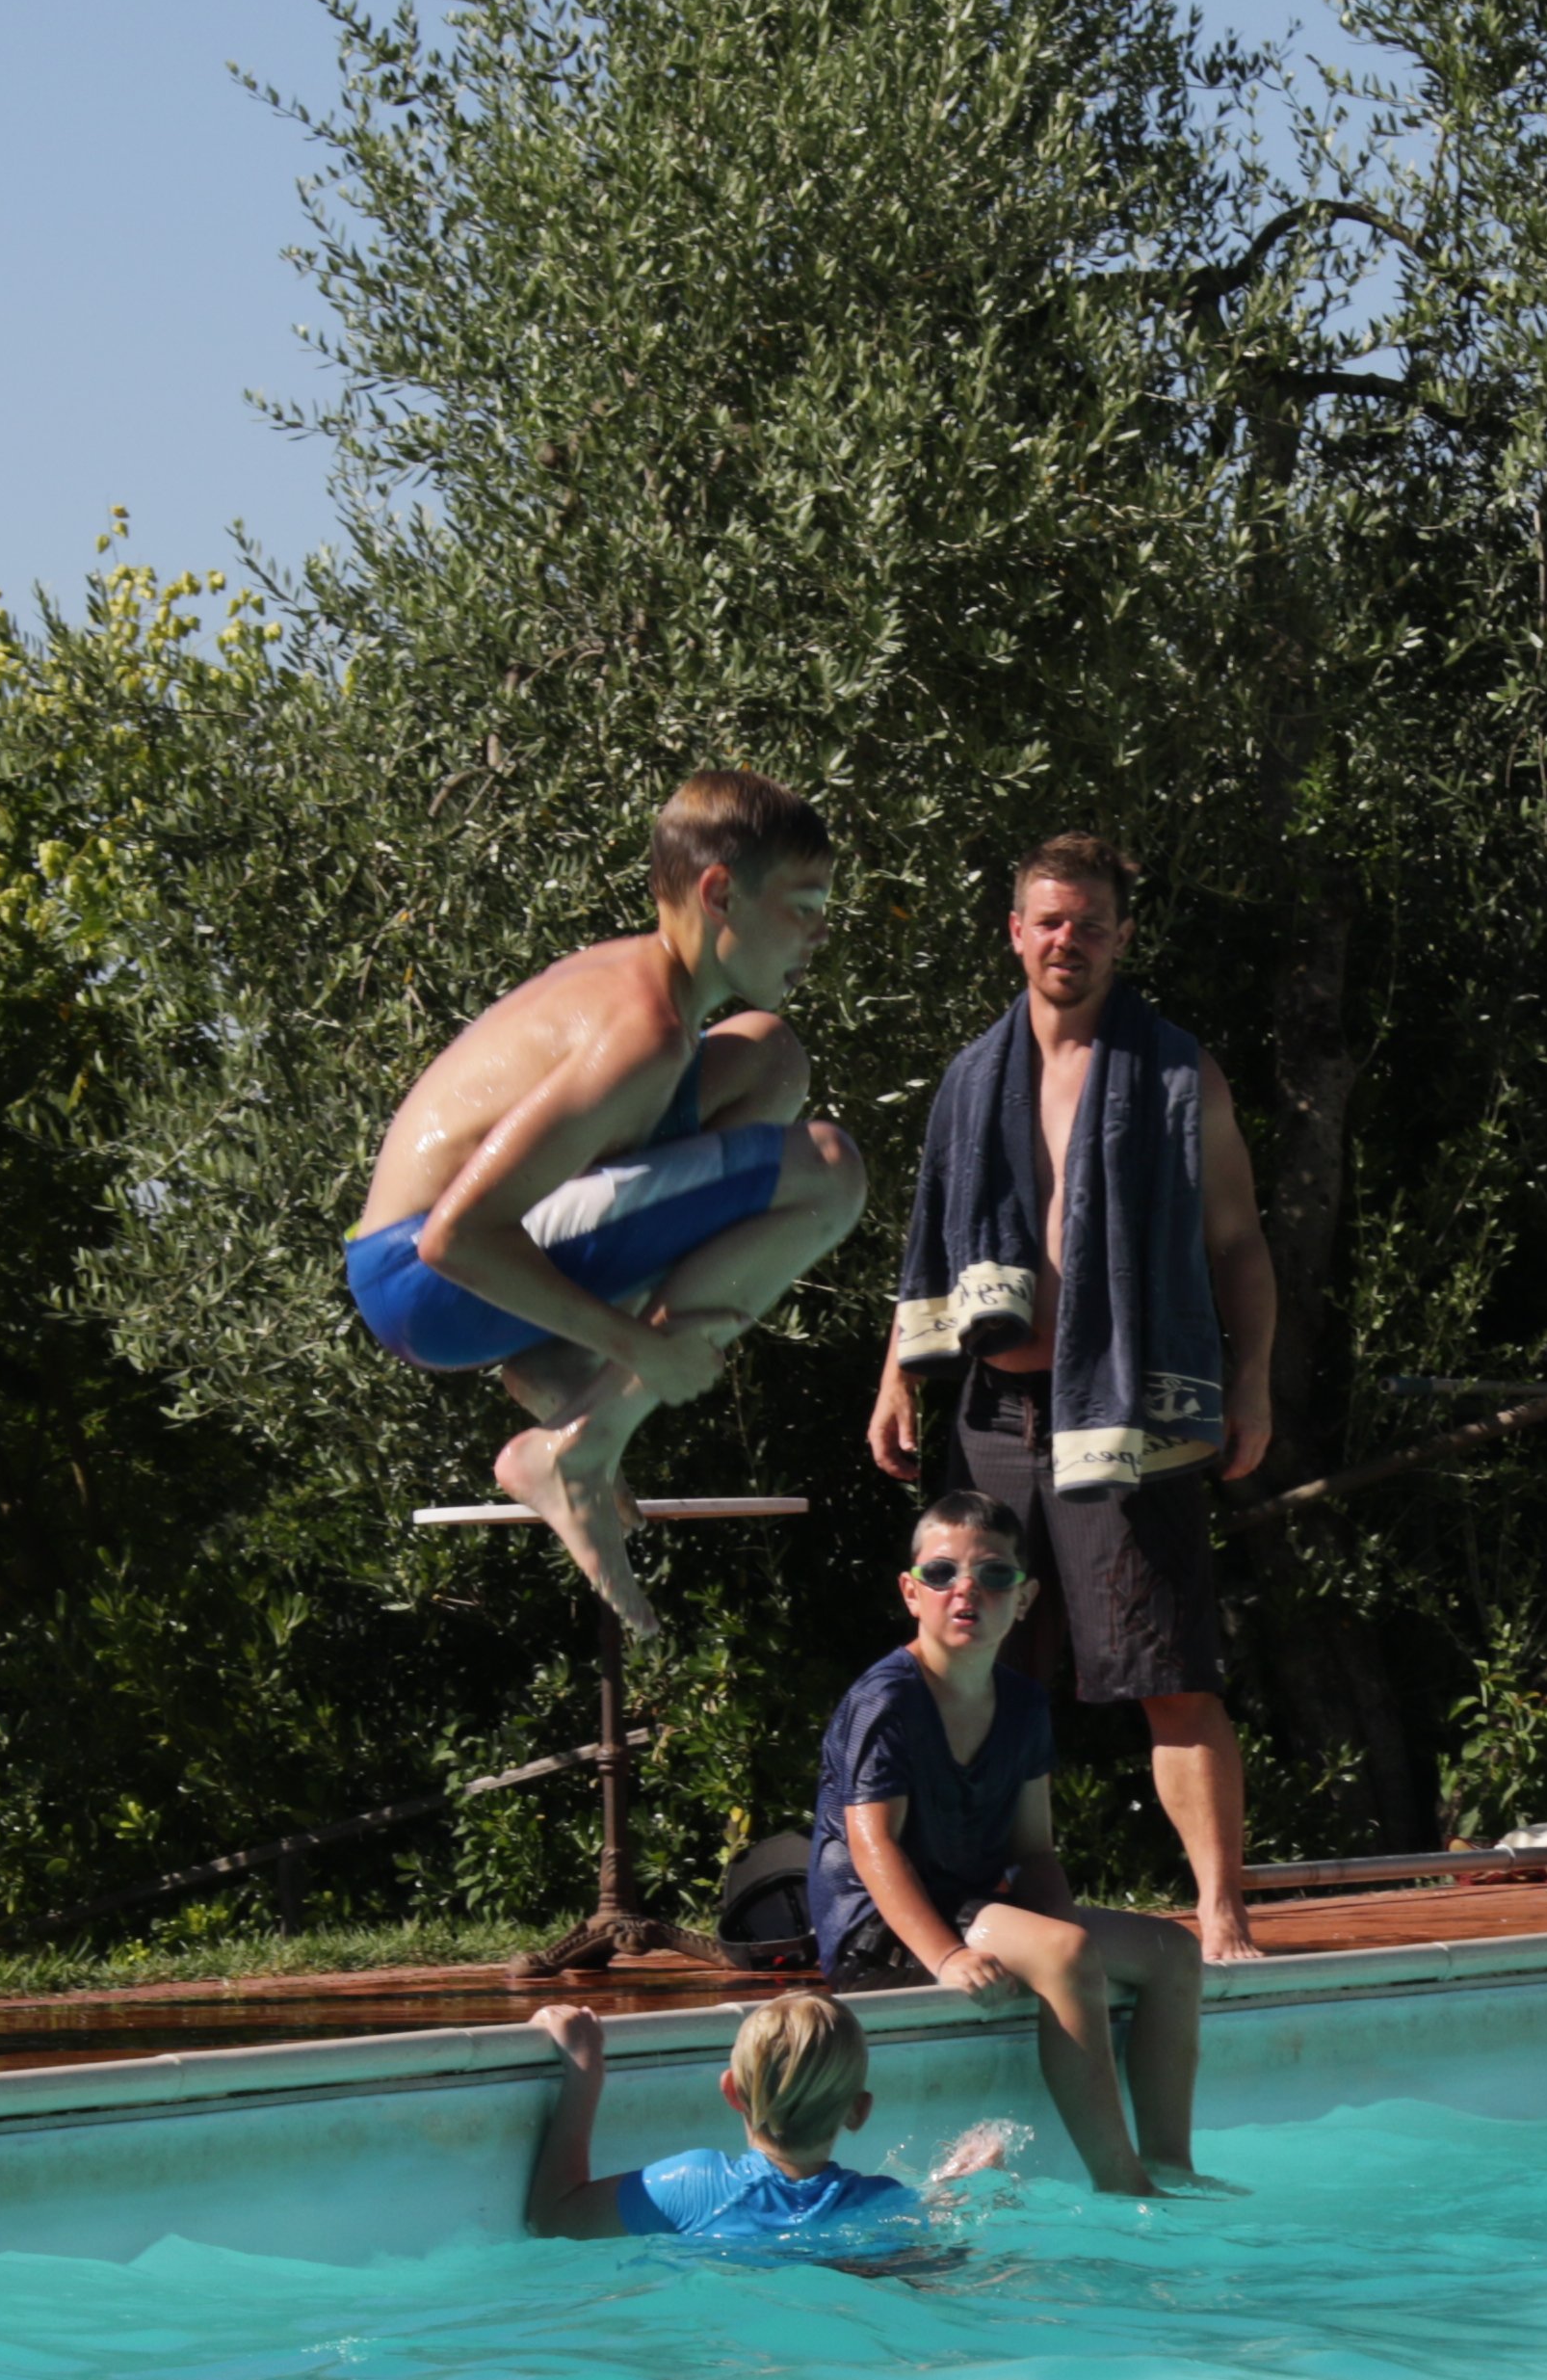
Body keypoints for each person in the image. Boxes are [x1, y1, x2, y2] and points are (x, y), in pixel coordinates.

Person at [869, 836, 1277, 1961]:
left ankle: (1222, 1913)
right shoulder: (971, 1080)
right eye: (1050, 920)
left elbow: (1238, 1241)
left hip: (1128, 1415)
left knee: (1170, 1675)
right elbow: (929, 1242)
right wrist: (898, 1374)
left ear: (1122, 937)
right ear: (1016, 932)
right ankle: (973, 1908)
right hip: (993, 1417)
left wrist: (1250, 1382)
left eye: (1091, 922)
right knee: (976, 1675)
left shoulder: (1177, 1074)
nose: (1069, 940)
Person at [347, 769, 868, 1638]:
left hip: (442, 1255)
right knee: (830, 1171)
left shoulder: (654, 983)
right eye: (804, 907)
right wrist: (641, 1349)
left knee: (771, 1057)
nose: (819, 933)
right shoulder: (641, 1036)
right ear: (719, 893)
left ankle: (555, 1360)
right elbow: (454, 1238)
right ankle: (579, 1445)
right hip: (424, 1283)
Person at [808, 1488, 1215, 2196]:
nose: (966, 1589)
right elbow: (874, 1849)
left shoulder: (1023, 1704)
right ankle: (1121, 2183)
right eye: (942, 1573)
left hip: (970, 1908)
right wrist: (948, 1955)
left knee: (1173, 1953)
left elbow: (1034, 1852)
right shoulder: (887, 1699)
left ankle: (1171, 2166)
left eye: (994, 1574)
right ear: (911, 1592)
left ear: (1023, 1599)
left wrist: (1056, 1931)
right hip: (882, 1931)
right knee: (1066, 1954)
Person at [518, 1994, 924, 2249]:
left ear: (731, 2091)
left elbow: (551, 2219)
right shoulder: (883, 2204)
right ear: (859, 2110)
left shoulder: (693, 2186)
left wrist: (586, 2073)